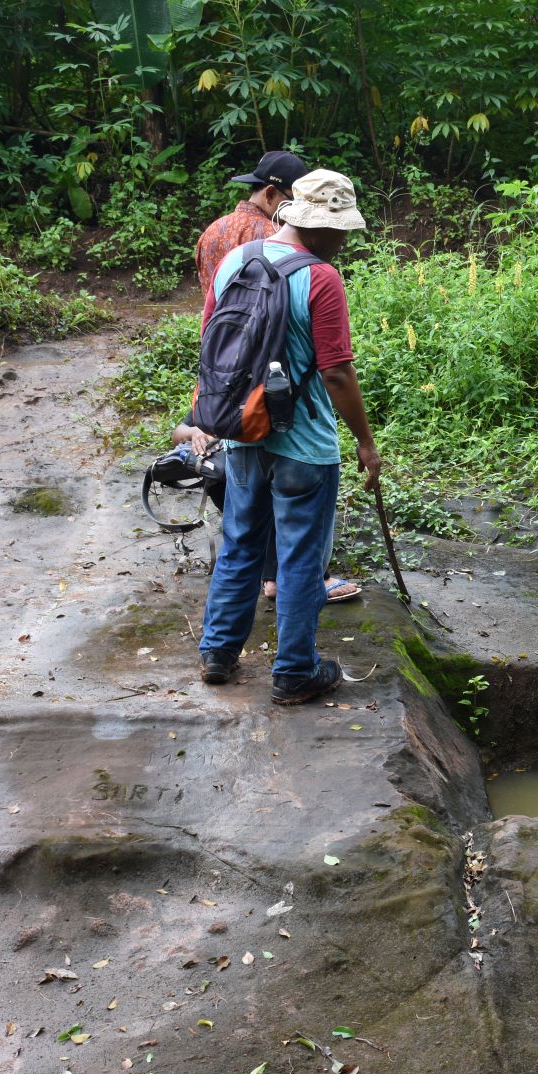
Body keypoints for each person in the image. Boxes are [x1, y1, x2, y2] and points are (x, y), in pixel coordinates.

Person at [196, 169, 381, 705]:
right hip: (304, 444)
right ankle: (295, 671)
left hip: (243, 430)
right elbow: (337, 372)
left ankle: (218, 653)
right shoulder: (320, 277)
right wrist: (366, 443)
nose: (345, 241)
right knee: (301, 558)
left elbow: (212, 344)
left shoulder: (237, 260)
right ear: (319, 226)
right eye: (342, 231)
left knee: (241, 544)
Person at [171, 422, 360, 604]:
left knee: (241, 545)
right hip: (270, 466)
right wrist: (195, 432)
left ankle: (266, 578)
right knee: (283, 502)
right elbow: (179, 432)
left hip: (233, 469)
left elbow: (179, 430)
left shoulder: (222, 391)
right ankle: (288, 580)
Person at [194, 150, 308, 290]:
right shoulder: (279, 236)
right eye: (293, 200)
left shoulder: (211, 231)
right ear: (270, 194)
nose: (297, 208)